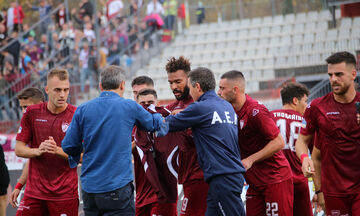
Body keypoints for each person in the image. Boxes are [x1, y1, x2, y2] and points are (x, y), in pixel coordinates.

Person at [62, 65, 164, 215]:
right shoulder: (129, 106)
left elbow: (68, 145)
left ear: (100, 86)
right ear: (123, 84)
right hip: (117, 187)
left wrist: (79, 154)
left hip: (90, 189)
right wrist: (159, 116)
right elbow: (152, 124)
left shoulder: (83, 109)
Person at [159, 67, 246, 216]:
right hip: (230, 174)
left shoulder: (200, 107)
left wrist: (145, 119)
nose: (190, 93)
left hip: (222, 177)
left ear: (197, 86)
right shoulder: (226, 106)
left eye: (190, 88)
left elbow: (164, 126)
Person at [217, 70, 293, 216]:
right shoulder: (229, 112)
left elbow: (278, 142)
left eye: (222, 88)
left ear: (235, 90)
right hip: (254, 182)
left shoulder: (256, 111)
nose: (218, 92)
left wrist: (250, 160)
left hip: (275, 179)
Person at [296, 51, 360, 215]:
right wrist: (304, 158)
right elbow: (302, 141)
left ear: (353, 74)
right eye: (330, 75)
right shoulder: (317, 107)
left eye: (339, 74)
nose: (333, 79)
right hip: (333, 191)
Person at [15, 69, 78, 216]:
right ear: (47, 90)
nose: (62, 95)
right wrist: (38, 151)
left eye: (65, 90)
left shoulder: (77, 115)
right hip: (34, 193)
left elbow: (83, 156)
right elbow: (19, 149)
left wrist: (58, 151)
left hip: (65, 194)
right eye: (57, 90)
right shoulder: (31, 112)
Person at [165, 56, 208, 216]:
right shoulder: (175, 105)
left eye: (178, 81)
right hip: (189, 177)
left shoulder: (200, 105)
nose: (174, 86)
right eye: (170, 83)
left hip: (202, 176)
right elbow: (158, 114)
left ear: (189, 80)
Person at [133, 88, 178, 216]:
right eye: (143, 103)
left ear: (157, 103)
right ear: (136, 105)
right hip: (141, 195)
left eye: (150, 102)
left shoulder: (168, 122)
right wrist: (142, 141)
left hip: (163, 193)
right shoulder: (132, 128)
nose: (147, 106)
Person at [271, 83, 313, 216]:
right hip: (300, 181)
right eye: (305, 101)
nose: (307, 105)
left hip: (276, 182)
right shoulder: (305, 121)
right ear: (295, 101)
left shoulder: (269, 117)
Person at [9, 87, 45, 208]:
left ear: (39, 105)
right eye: (22, 108)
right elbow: (31, 158)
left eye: (26, 107)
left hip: (60, 190)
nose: (24, 111)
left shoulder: (54, 121)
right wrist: (19, 186)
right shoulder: (30, 124)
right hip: (36, 189)